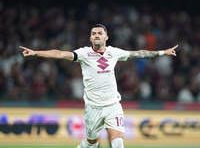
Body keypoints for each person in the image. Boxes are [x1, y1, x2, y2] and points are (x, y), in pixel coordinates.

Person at [19, 24, 177, 148]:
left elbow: (138, 53)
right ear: (90, 38)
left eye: (99, 33)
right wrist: (35, 53)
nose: (96, 35)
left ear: (106, 37)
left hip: (112, 105)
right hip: (93, 107)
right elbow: (60, 54)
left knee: (118, 144)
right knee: (91, 144)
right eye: (94, 33)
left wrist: (162, 52)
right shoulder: (84, 53)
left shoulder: (114, 52)